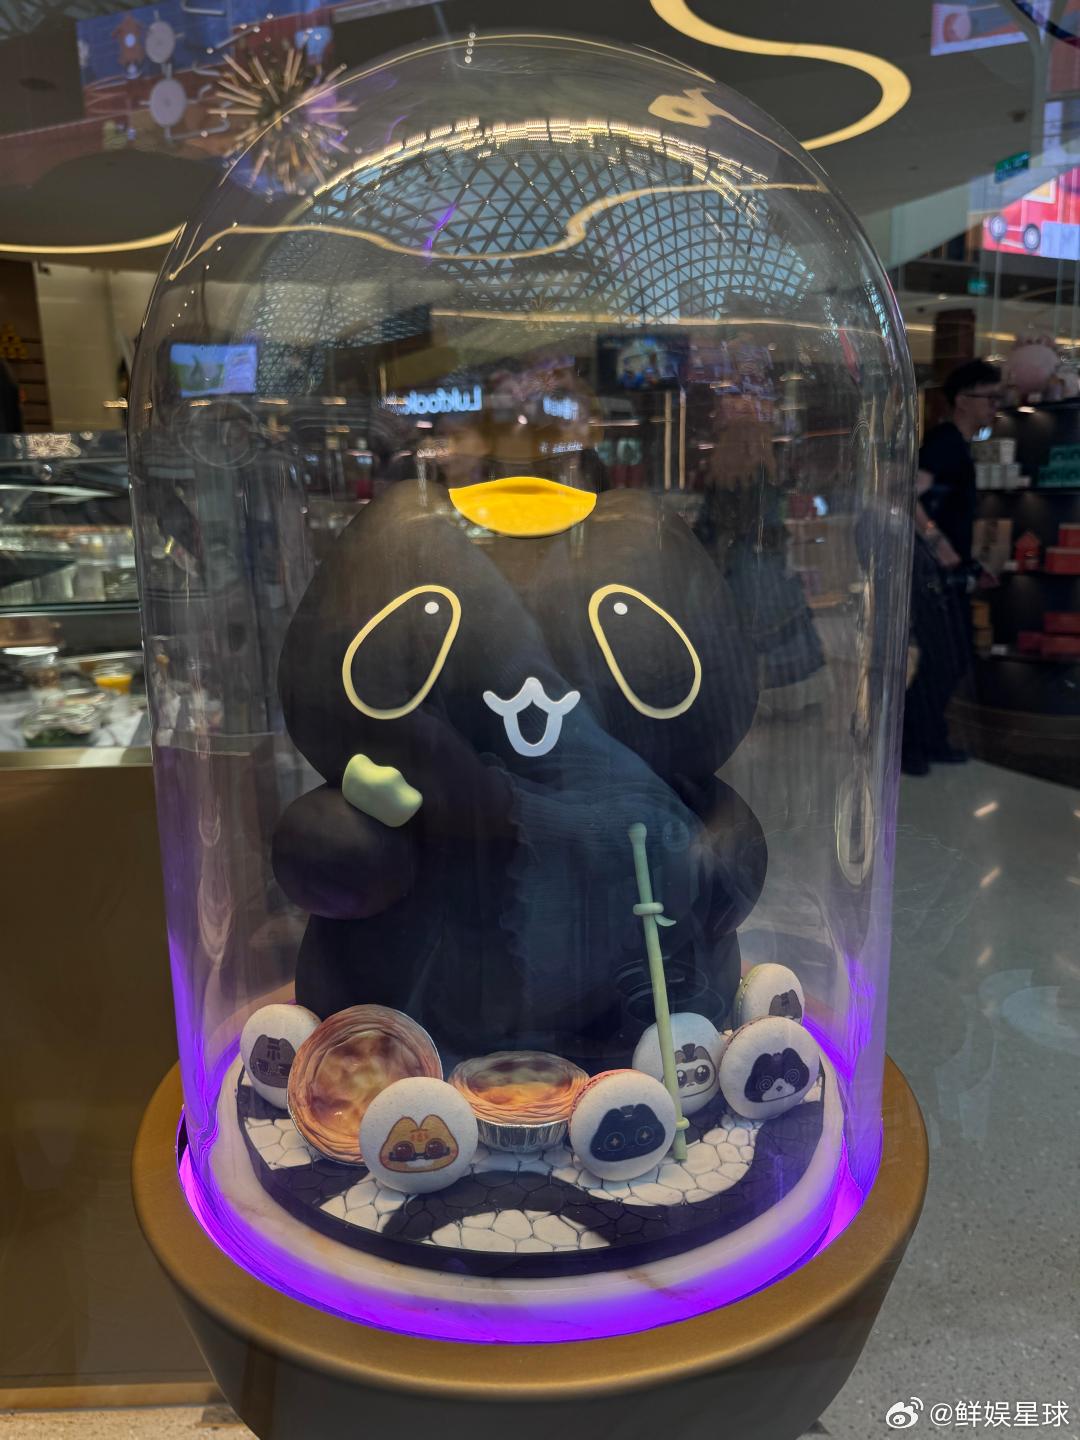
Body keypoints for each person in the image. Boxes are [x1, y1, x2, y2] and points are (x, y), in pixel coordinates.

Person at [903, 359, 1001, 776]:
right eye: (989, 398)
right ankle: (910, 741)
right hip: (933, 575)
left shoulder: (954, 444)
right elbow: (908, 496)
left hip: (944, 573)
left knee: (949, 658)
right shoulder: (944, 442)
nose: (995, 406)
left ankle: (927, 738)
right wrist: (938, 542)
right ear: (962, 400)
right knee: (946, 658)